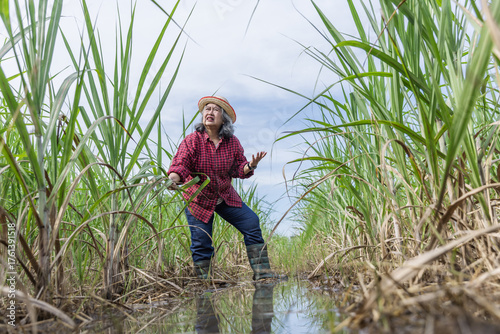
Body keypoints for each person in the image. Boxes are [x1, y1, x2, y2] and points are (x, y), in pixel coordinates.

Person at [168, 96, 279, 280]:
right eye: (207, 109)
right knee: (202, 242)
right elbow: (181, 165)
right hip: (199, 200)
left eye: (215, 109)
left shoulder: (232, 143)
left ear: (223, 118)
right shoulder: (192, 141)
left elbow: (239, 169)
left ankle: (263, 275)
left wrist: (250, 165)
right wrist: (173, 178)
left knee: (251, 222)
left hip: (225, 197)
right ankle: (206, 283)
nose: (209, 112)